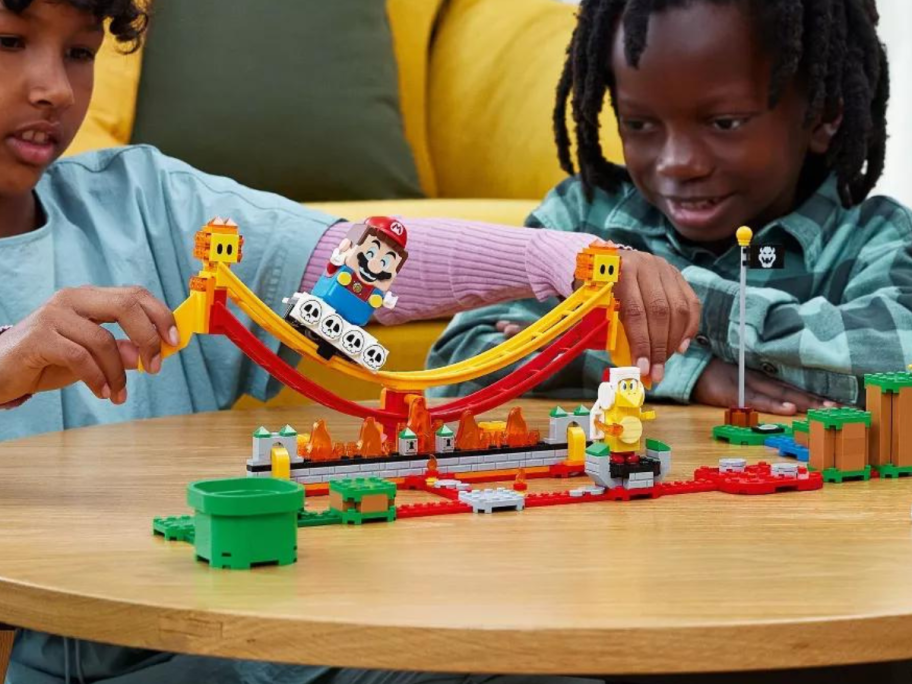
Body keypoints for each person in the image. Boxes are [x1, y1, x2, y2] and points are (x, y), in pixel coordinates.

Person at [0, 0, 699, 681]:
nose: (54, 89)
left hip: (251, 633)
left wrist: (564, 260)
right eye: (9, 41)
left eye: (80, 52)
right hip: (94, 655)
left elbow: (356, 261)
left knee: (528, 661)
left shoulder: (142, 200)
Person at [429, 0, 910, 417]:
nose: (678, 163)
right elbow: (462, 362)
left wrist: (657, 300)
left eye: (723, 123)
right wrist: (688, 373)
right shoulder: (581, 217)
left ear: (823, 115)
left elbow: (897, 362)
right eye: (639, 124)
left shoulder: (876, 238)